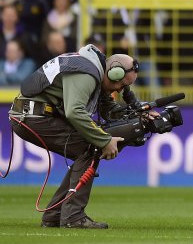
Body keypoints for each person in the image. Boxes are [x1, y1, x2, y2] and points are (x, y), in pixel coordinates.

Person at [8, 45, 139, 228]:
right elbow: (74, 111)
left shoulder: (91, 67)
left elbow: (110, 109)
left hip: (31, 115)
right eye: (121, 84)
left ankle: (55, 215)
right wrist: (104, 140)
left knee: (88, 148)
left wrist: (142, 114)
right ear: (113, 72)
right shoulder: (87, 73)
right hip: (35, 117)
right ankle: (72, 217)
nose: (118, 89)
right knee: (90, 147)